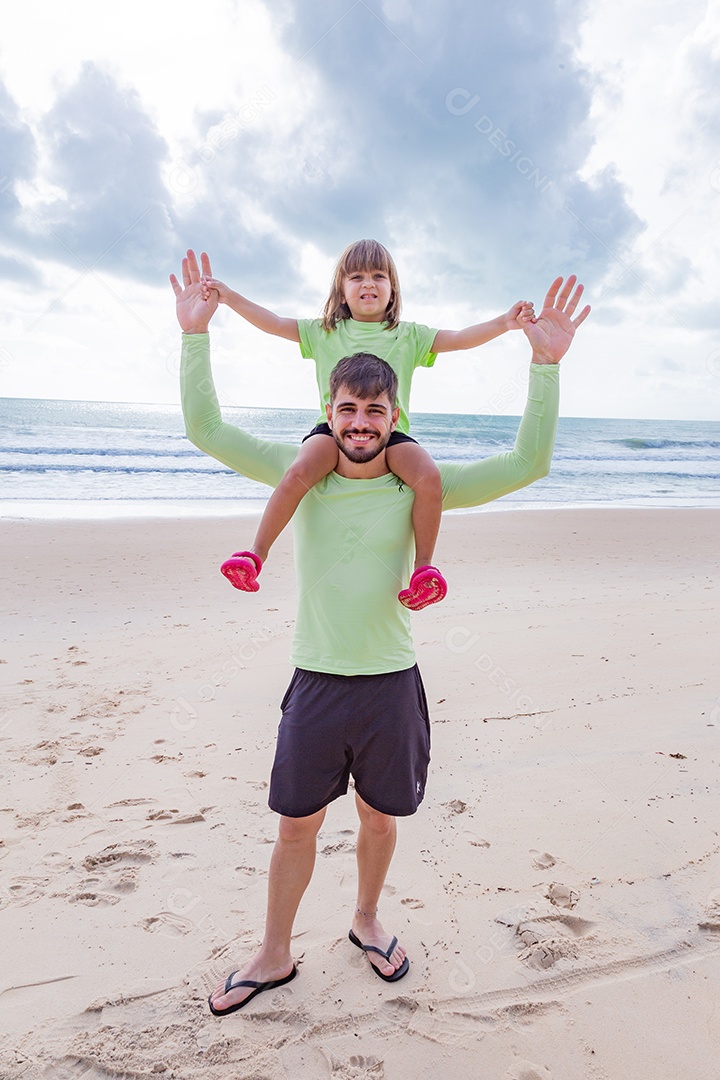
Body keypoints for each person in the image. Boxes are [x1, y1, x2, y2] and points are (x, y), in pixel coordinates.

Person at [170, 249, 590, 1016]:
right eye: (346, 413)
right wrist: (197, 334)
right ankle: (274, 952)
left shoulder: (416, 483)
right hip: (318, 680)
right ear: (327, 413)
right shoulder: (301, 472)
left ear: (394, 418)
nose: (359, 426)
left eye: (374, 414)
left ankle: (365, 920)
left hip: (393, 682)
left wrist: (545, 365)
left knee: (379, 819)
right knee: (296, 826)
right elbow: (206, 429)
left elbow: (529, 462)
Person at [200, 239, 535, 610]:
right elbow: (276, 324)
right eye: (356, 276)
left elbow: (457, 340)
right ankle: (254, 555)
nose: (368, 284)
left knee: (429, 477)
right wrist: (229, 298)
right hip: (332, 432)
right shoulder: (324, 331)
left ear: (392, 289)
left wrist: (504, 323)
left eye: (379, 275)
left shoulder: (409, 335)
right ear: (341, 290)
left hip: (389, 434)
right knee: (297, 472)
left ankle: (424, 569)